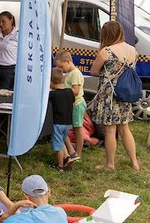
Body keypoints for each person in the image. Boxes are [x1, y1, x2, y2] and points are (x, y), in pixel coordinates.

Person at [88, 20, 140, 172]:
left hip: (109, 95)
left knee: (110, 131)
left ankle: (110, 164)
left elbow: (94, 71)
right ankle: (134, 162)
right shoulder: (133, 51)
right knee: (125, 128)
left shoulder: (106, 52)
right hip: (125, 93)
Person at [55, 50, 86, 159]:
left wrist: (63, 89)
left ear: (67, 61)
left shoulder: (75, 74)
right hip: (71, 104)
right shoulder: (69, 73)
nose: (61, 70)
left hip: (77, 104)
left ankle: (78, 153)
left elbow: (76, 90)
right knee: (67, 128)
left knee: (78, 129)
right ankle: (72, 151)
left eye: (61, 67)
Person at [48, 69, 79, 171]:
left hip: (57, 123)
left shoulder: (52, 95)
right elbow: (73, 104)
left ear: (51, 82)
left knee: (59, 146)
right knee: (62, 141)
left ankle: (60, 166)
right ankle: (67, 158)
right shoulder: (70, 92)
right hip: (68, 123)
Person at [0, 11, 18, 91]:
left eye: (3, 21)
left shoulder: (18, 35)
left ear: (11, 21)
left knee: (4, 95)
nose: (1, 24)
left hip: (9, 70)